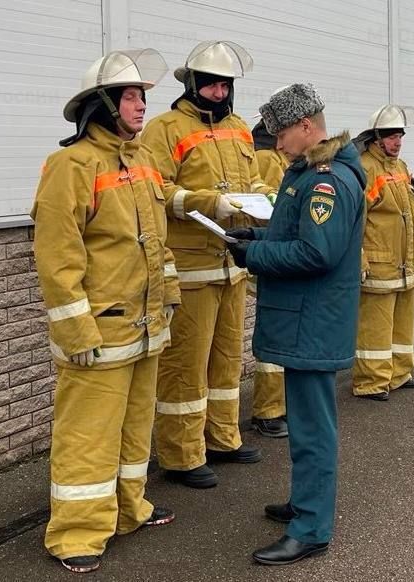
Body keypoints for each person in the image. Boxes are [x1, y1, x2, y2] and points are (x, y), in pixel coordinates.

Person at [31, 49, 179, 573]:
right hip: (99, 332)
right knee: (87, 435)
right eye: (131, 97)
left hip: (145, 327)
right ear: (103, 105)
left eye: (142, 97)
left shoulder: (142, 162)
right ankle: (77, 532)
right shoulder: (70, 166)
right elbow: (57, 256)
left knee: (135, 429)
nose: (141, 106)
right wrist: (75, 329)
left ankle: (129, 509)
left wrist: (169, 294)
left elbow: (156, 240)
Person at [225, 83, 366, 565]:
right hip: (306, 319)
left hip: (313, 321)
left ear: (307, 127)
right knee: (306, 423)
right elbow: (295, 231)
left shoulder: (327, 181)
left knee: (312, 429)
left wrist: (254, 255)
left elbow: (315, 252)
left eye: (282, 134)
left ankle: (311, 529)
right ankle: (305, 501)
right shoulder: (306, 172)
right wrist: (256, 235)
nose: (277, 143)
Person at [141, 41, 273, 488]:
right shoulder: (164, 129)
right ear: (193, 83)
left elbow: (251, 179)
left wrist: (265, 198)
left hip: (232, 265)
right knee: (185, 366)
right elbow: (157, 190)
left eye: (226, 85)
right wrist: (208, 202)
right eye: (212, 84)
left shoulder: (238, 128)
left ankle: (222, 439)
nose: (220, 92)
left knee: (226, 360)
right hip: (192, 269)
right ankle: (181, 456)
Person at [351, 105, 414, 401]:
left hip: (404, 262)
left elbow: (411, 211)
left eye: (400, 136)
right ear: (377, 138)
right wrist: (358, 257)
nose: (398, 142)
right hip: (379, 262)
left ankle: (399, 374)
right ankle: (371, 382)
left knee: (403, 323)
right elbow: (356, 218)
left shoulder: (400, 167)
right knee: (375, 327)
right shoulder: (365, 168)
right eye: (392, 137)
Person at [247, 118, 291, 438]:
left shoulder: (278, 158)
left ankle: (278, 406)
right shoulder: (266, 159)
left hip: (279, 257)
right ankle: (268, 410)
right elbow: (269, 208)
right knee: (276, 336)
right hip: (273, 259)